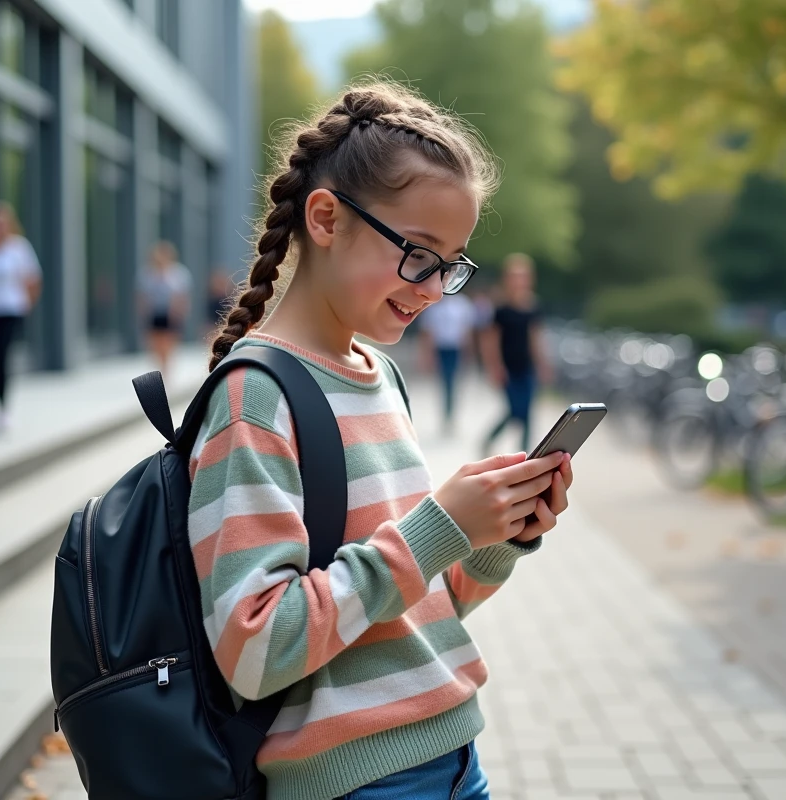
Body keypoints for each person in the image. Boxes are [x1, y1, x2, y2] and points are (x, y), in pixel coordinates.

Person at [189, 81, 574, 800]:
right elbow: (256, 648)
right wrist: (438, 527)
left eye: (451, 265)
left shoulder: (380, 376)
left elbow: (412, 612)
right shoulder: (255, 398)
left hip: (454, 757)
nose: (433, 289)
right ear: (327, 219)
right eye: (419, 254)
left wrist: (496, 536)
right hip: (359, 782)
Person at [0, 202, 41, 433]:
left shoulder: (18, 248)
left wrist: (28, 303)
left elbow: (33, 279)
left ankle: (3, 407)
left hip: (10, 310)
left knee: (2, 356)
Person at [481, 254, 550, 455]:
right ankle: (489, 439)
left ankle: (525, 452)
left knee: (527, 411)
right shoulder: (500, 309)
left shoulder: (533, 306)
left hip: (526, 367)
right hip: (508, 367)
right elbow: (490, 341)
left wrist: (543, 364)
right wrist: (495, 367)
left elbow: (535, 338)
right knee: (514, 410)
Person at [418, 292, 478, 432]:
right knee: (444, 382)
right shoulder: (433, 306)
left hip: (455, 348)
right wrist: (428, 355)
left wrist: (468, 351)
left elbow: (467, 330)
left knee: (453, 382)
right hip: (441, 348)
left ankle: (451, 413)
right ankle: (446, 413)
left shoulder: (462, 304)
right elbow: (428, 332)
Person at [135, 240, 191, 375]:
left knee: (168, 342)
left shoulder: (178, 273)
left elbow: (183, 296)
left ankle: (166, 369)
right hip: (154, 313)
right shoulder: (147, 274)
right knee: (155, 343)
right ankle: (160, 366)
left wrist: (181, 312)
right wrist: (142, 313)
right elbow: (142, 296)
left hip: (171, 313)